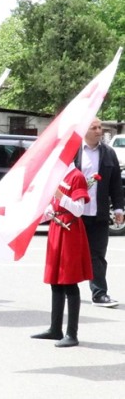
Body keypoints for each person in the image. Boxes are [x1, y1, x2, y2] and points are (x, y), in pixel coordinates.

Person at [31, 167, 92, 348]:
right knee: (55, 281)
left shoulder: (77, 177)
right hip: (57, 228)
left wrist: (60, 196)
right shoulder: (56, 174)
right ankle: (55, 328)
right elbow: (53, 207)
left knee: (69, 282)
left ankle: (72, 333)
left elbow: (79, 210)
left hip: (70, 230)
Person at [74, 118, 124, 308]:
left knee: (97, 255)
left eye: (100, 127)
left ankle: (99, 293)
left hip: (99, 214)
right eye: (93, 128)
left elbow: (115, 185)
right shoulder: (74, 152)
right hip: (76, 214)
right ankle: (67, 290)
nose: (99, 131)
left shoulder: (108, 153)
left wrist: (119, 208)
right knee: (72, 254)